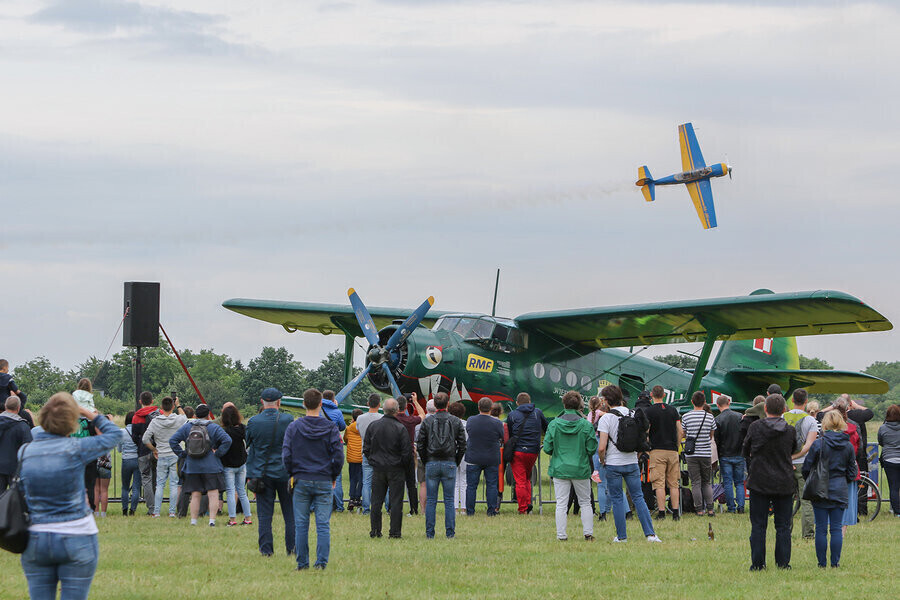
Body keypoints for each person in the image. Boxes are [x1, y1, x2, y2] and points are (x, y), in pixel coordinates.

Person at [18, 393, 121, 600]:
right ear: (71, 421)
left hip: (36, 537)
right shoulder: (76, 448)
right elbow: (114, 434)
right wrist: (87, 412)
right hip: (76, 534)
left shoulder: (25, 451)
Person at [282, 388, 344, 570]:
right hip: (324, 478)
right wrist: (333, 475)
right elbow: (338, 456)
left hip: (301, 478)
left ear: (303, 404)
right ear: (320, 404)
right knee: (323, 524)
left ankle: (302, 563)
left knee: (301, 524)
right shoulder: (330, 427)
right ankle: (321, 563)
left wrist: (292, 473)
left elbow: (286, 455)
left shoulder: (294, 427)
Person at [596, 385, 661, 543]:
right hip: (631, 461)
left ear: (606, 401)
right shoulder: (632, 413)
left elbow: (602, 447)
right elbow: (642, 438)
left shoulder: (606, 418)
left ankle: (622, 536)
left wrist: (602, 460)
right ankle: (651, 534)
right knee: (638, 497)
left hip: (613, 463)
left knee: (617, 498)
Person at [743, 393, 798, 571]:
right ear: (784, 410)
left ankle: (758, 564)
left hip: (759, 480)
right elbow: (794, 449)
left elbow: (745, 449)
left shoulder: (755, 427)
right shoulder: (790, 430)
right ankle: (783, 563)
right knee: (783, 526)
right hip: (784, 480)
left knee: (758, 525)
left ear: (765, 408)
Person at [802, 411, 858, 568]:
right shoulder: (847, 445)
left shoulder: (818, 444)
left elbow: (806, 467)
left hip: (819, 488)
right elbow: (852, 472)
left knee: (820, 528)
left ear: (825, 424)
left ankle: (822, 563)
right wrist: (842, 480)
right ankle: (835, 563)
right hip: (839, 488)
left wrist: (812, 480)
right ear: (841, 423)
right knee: (836, 528)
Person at [246, 387, 295, 557]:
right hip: (285, 472)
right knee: (290, 514)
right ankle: (292, 548)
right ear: (279, 402)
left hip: (262, 473)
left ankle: (266, 550)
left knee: (265, 515)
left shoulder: (253, 422)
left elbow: (248, 442)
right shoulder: (288, 419)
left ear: (262, 402)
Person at [544, 391, 598, 541]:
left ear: (564, 404)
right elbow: (591, 448)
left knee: (561, 503)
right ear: (580, 405)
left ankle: (561, 535)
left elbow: (547, 448)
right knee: (585, 502)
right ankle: (588, 533)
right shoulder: (586, 425)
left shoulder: (554, 424)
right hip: (580, 468)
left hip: (560, 468)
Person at [168, 404, 232, 526]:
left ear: (195, 415)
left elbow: (173, 440)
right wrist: (218, 453)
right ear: (208, 415)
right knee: (213, 493)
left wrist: (183, 454)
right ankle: (212, 521)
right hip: (211, 466)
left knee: (195, 494)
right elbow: (227, 440)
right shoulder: (213, 427)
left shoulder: (187, 427)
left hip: (192, 466)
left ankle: (193, 521)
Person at [417, 392, 466, 538]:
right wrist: (455, 461)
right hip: (449, 461)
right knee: (449, 500)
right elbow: (462, 444)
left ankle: (429, 533)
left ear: (435, 404)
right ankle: (450, 533)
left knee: (431, 500)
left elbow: (420, 444)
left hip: (432, 462)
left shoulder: (427, 421)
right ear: (448, 404)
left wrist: (426, 460)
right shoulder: (455, 421)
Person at [364, 398, 413, 539]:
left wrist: (373, 461)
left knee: (376, 501)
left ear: (383, 409)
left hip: (378, 468)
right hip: (396, 468)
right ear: (397, 410)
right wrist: (401, 465)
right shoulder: (400, 428)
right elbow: (406, 452)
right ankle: (395, 532)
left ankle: (375, 531)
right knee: (396, 501)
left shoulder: (373, 426)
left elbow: (366, 448)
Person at [783, 388, 819, 539]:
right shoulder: (811, 420)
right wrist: (796, 456)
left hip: (784, 464)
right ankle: (808, 534)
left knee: (786, 500)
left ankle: (785, 531)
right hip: (804, 464)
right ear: (806, 401)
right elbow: (809, 445)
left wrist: (788, 458)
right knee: (806, 501)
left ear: (792, 400)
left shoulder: (783, 417)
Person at [143, 396, 187, 518]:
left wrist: (154, 449)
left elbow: (145, 439)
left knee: (160, 484)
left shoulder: (155, 421)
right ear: (172, 406)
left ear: (161, 407)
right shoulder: (178, 419)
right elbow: (185, 418)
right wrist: (178, 405)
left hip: (161, 454)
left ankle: (156, 511)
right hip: (174, 454)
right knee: (174, 484)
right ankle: (172, 511)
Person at [644, 385, 682, 520]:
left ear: (652, 395)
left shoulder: (649, 411)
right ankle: (676, 513)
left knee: (658, 483)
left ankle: (661, 512)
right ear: (664, 395)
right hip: (672, 451)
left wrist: (648, 444)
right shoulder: (673, 410)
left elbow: (646, 430)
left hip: (657, 450)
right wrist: (676, 446)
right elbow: (680, 431)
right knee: (674, 483)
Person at [506, 392, 548, 514]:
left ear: (517, 403)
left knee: (520, 481)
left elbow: (510, 433)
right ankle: (528, 503)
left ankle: (523, 508)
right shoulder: (538, 413)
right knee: (527, 478)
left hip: (518, 451)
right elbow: (547, 428)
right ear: (529, 401)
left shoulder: (512, 415)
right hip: (533, 451)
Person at [465, 397, 505, 516]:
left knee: (471, 486)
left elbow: (469, 431)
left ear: (478, 407)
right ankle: (491, 511)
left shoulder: (471, 420)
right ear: (491, 408)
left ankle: (470, 511)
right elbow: (501, 435)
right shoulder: (497, 423)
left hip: (474, 456)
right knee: (492, 485)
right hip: (491, 457)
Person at [828, 397, 862, 533]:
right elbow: (859, 448)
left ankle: (833, 527)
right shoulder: (854, 427)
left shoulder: (827, 430)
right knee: (848, 501)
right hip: (850, 469)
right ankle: (842, 531)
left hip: (831, 469)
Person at [681, 391, 717, 516]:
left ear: (692, 402)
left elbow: (683, 434)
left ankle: (699, 509)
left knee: (695, 482)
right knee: (706, 482)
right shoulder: (710, 417)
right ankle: (710, 509)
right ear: (704, 402)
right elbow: (711, 435)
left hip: (691, 454)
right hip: (706, 453)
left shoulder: (686, 416)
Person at [220, 404, 252, 526]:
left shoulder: (225, 431)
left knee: (230, 491)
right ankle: (248, 518)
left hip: (228, 464)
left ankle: (232, 519)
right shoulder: (243, 429)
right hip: (242, 463)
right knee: (242, 491)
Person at [714, 394, 745, 513]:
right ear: (729, 403)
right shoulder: (740, 416)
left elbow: (717, 440)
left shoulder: (718, 419)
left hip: (725, 454)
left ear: (718, 405)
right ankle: (741, 506)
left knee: (727, 482)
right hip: (739, 453)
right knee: (739, 482)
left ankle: (731, 507)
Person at [396, 393, 425, 515]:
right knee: (411, 483)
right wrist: (415, 401)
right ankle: (414, 509)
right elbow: (422, 415)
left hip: (394, 455)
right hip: (409, 454)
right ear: (405, 406)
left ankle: (393, 508)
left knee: (395, 483)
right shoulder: (410, 421)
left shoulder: (392, 420)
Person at [131, 391, 159, 514]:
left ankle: (151, 508)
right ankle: (156, 506)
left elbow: (134, 435)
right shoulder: (158, 414)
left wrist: (140, 444)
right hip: (157, 450)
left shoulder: (136, 417)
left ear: (140, 402)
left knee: (146, 479)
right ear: (152, 401)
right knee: (155, 480)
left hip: (143, 451)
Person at [320, 390, 347, 513]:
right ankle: (339, 506)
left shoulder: (318, 410)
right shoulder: (337, 412)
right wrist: (336, 407)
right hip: (334, 446)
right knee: (337, 477)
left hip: (320, 447)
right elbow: (342, 426)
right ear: (333, 399)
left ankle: (316, 505)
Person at [356, 393, 383, 515]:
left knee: (366, 482)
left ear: (368, 404)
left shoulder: (360, 418)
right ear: (379, 404)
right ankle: (385, 507)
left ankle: (366, 508)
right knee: (383, 482)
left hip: (366, 452)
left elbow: (358, 431)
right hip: (380, 452)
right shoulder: (382, 418)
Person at [0, 395, 32, 492]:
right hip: (14, 469)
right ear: (18, 408)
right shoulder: (22, 426)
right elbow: (28, 449)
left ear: (5, 406)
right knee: (15, 497)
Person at [587, 396, 609, 521]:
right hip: (601, 440)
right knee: (606, 483)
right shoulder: (601, 413)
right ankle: (607, 509)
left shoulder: (590, 415)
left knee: (600, 482)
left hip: (593, 442)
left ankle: (595, 470)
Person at [878, 405, 900, 517]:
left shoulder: (883, 428)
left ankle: (897, 511)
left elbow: (880, 442)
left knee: (893, 487)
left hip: (889, 459)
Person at [118, 411, 141, 516]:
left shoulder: (121, 432)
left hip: (126, 459)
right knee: (136, 487)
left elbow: (119, 449)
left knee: (125, 487)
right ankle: (133, 510)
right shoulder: (139, 431)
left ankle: (124, 510)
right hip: (137, 459)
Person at [416, 399, 437, 511]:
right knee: (434, 483)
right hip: (435, 456)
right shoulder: (441, 422)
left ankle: (423, 509)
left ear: (426, 409)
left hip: (421, 456)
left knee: (423, 484)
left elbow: (416, 440)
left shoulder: (419, 424)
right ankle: (431, 508)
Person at [447, 401, 469, 512]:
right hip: (465, 452)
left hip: (452, 452)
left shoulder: (448, 424)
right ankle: (464, 508)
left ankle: (455, 507)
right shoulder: (467, 424)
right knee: (464, 481)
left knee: (454, 481)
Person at [344, 409, 364, 511]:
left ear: (353, 417)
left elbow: (345, 439)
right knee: (361, 479)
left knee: (352, 479)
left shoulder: (349, 428)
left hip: (352, 458)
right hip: (361, 457)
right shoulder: (364, 427)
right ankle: (358, 498)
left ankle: (351, 499)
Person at [93, 448, 112, 517]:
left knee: (96, 490)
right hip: (105, 465)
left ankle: (96, 513)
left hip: (94, 465)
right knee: (104, 490)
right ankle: (103, 513)